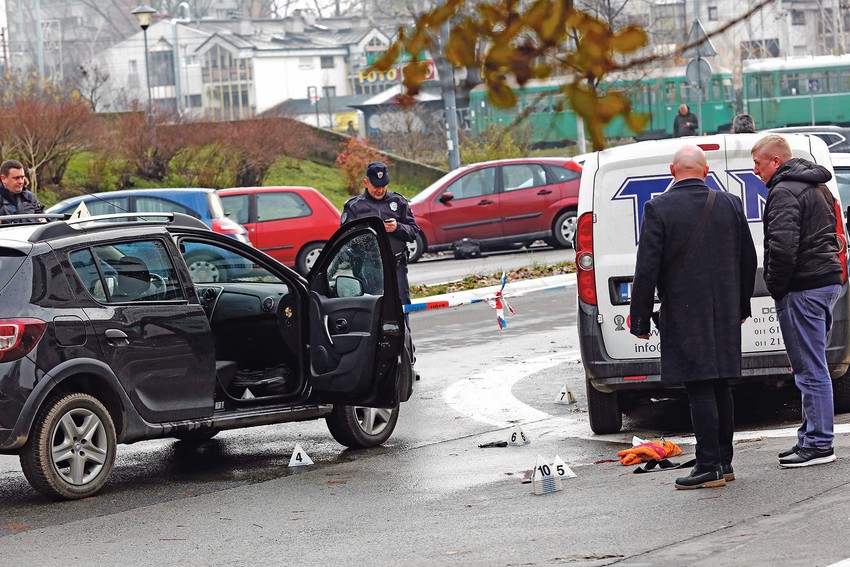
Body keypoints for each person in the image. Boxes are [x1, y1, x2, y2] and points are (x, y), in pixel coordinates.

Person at [630, 145, 757, 490]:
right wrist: (741, 307)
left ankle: (709, 466)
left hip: (685, 312)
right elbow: (748, 260)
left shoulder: (658, 207)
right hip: (725, 312)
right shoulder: (730, 203)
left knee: (699, 388)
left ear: (672, 171)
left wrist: (639, 319)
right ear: (706, 170)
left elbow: (647, 268)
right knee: (721, 386)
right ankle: (724, 463)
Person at [753, 134, 844, 468]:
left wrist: (776, 287)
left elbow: (782, 247)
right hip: (824, 281)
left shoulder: (784, 191)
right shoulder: (817, 187)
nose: (755, 170)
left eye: (758, 163)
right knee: (812, 364)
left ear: (776, 161)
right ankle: (810, 437)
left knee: (809, 368)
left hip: (802, 287)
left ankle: (819, 443)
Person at [341, 161, 420, 314]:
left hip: (396, 267)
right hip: (368, 269)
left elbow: (414, 231)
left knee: (401, 310)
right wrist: (369, 232)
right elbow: (346, 238)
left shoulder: (398, 202)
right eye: (376, 186)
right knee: (374, 313)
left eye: (383, 186)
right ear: (366, 183)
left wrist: (398, 227)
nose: (380, 190)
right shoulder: (354, 207)